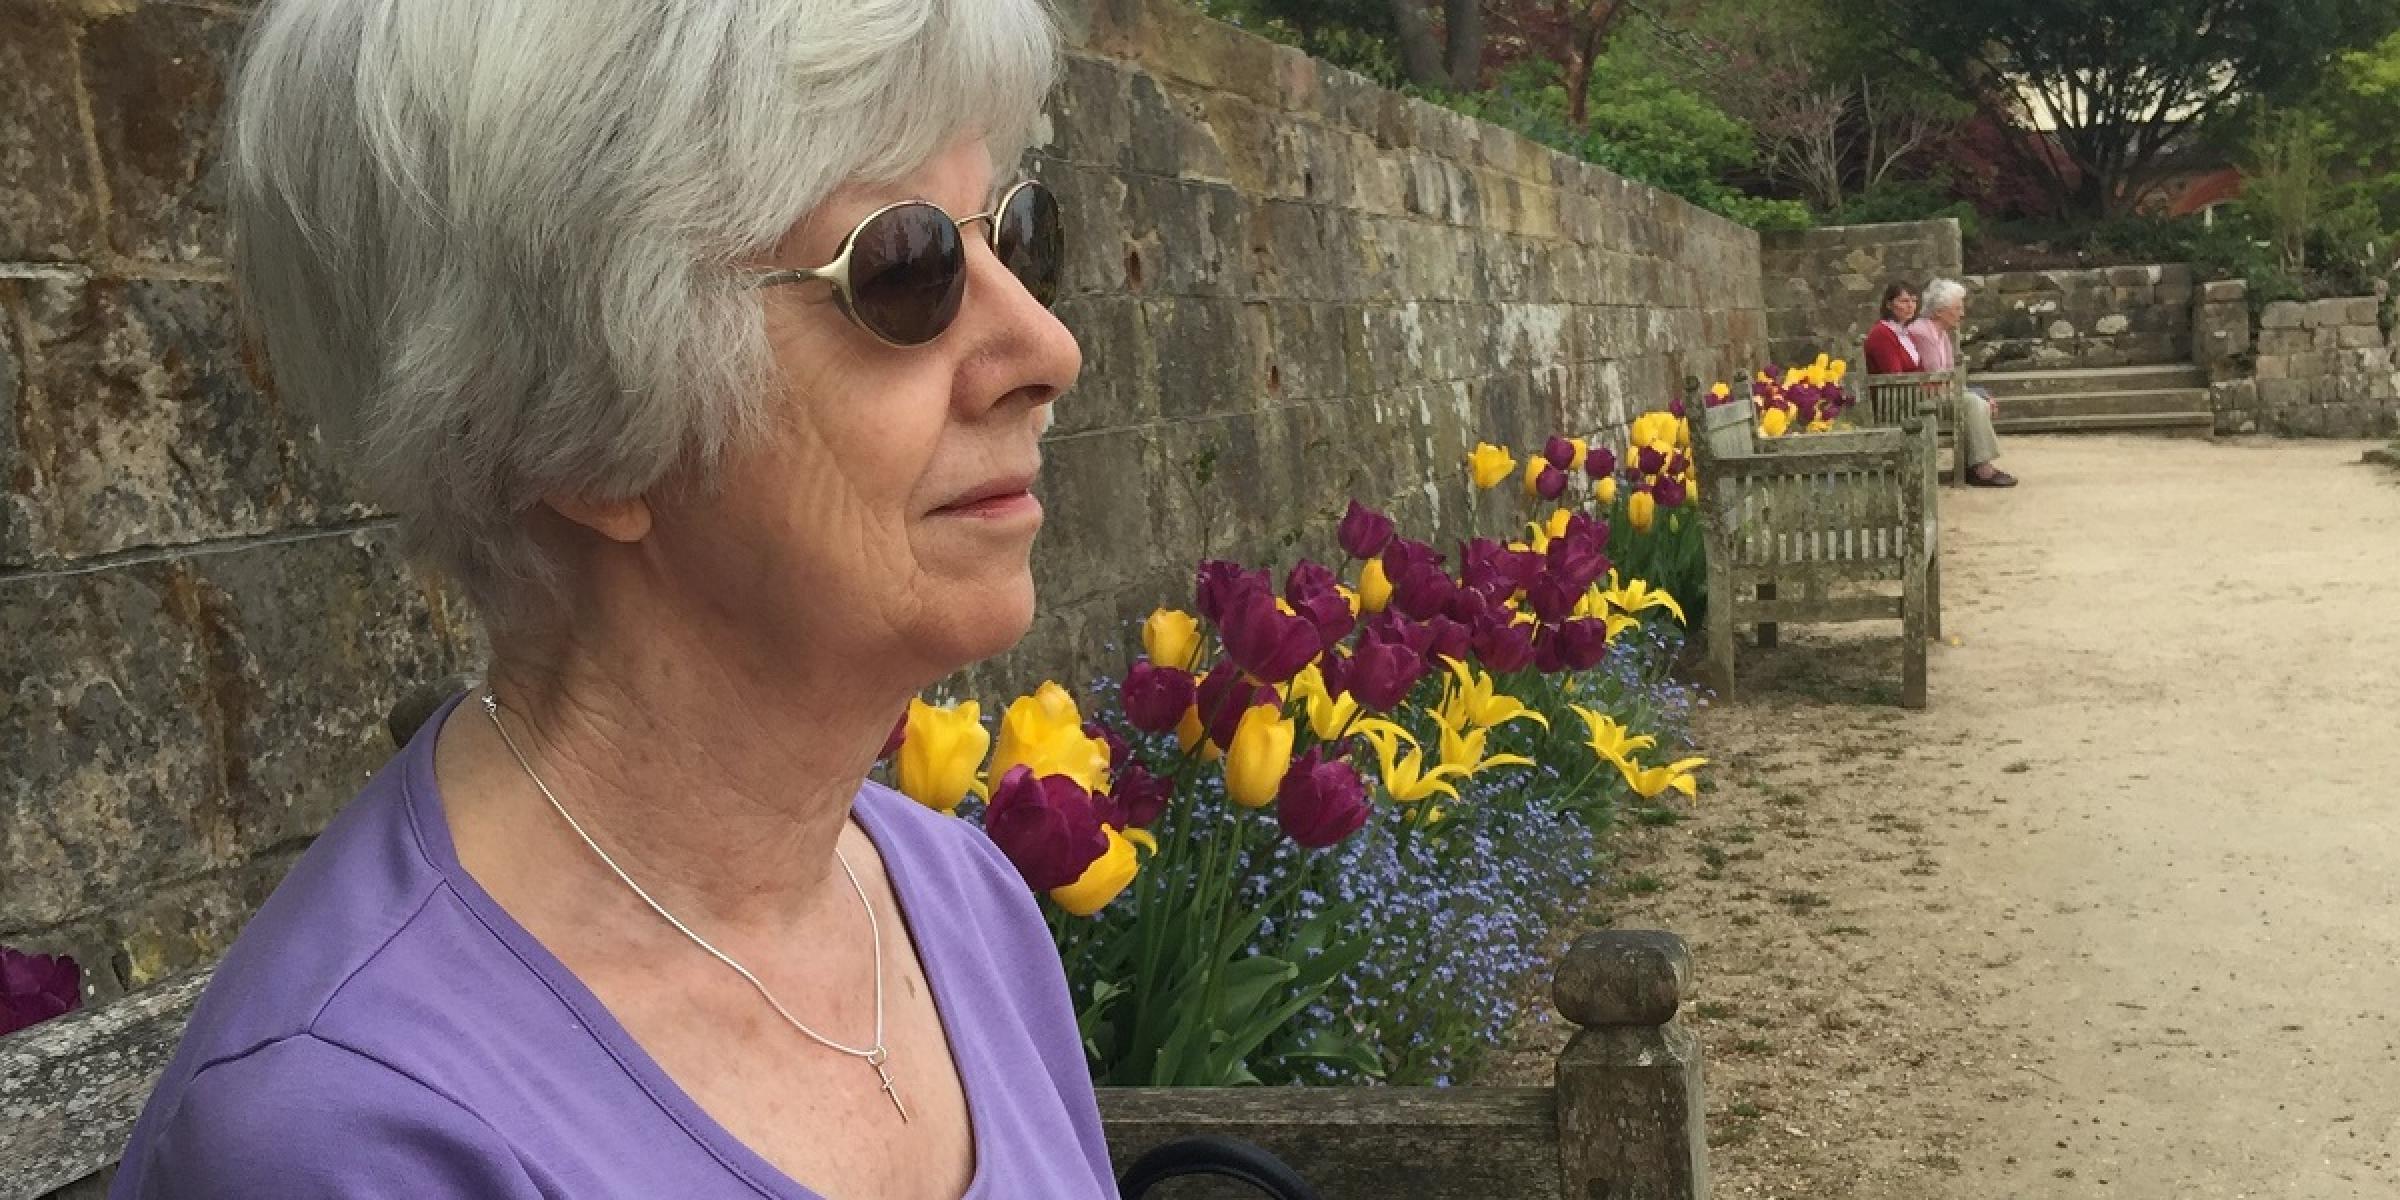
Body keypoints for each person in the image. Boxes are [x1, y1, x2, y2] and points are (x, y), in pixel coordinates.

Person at [111, 2, 1115, 1197]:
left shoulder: (958, 903)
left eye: (1018, 232)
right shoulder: (352, 1140)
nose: (1049, 345)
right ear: (580, 424)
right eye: (904, 268)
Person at [1910, 278, 2017, 488]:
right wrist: (1975, 395)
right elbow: (1935, 377)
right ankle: (1982, 468)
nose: (1962, 314)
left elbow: (1950, 375)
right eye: (1957, 308)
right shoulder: (1922, 332)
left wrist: (1979, 393)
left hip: (1940, 392)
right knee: (1973, 403)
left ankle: (1975, 465)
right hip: (1924, 396)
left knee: (1979, 400)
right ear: (1940, 311)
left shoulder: (1942, 335)